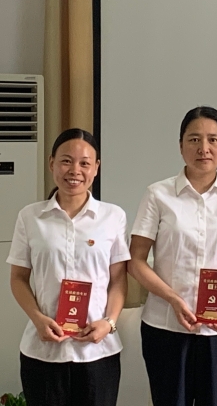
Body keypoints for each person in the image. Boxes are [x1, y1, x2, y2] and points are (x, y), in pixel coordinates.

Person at [128, 106, 217, 406]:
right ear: (180, 145)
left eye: (213, 139)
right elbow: (136, 261)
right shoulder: (158, 195)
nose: (204, 148)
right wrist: (173, 299)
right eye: (194, 139)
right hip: (166, 327)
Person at [7, 128, 129, 406]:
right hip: (43, 352)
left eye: (85, 163)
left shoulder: (113, 216)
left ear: (96, 168)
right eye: (66, 161)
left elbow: (119, 280)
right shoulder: (30, 217)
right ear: (52, 163)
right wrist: (37, 319)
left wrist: (109, 323)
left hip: (98, 352)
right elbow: (18, 278)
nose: (75, 170)